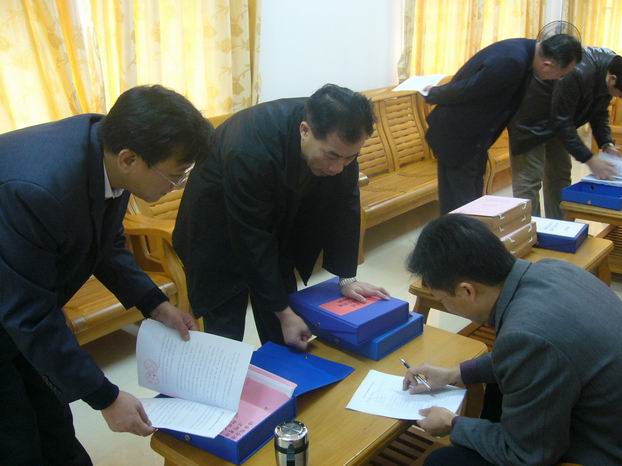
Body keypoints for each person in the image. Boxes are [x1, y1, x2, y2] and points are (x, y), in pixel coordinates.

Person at [0, 85, 213, 465]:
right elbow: (29, 315)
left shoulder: (108, 153)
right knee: (16, 438)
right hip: (14, 307)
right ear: (130, 159)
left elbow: (107, 245)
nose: (175, 188)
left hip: (21, 303)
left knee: (53, 422)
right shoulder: (38, 191)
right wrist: (106, 397)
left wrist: (156, 304)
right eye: (175, 177)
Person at [173, 84, 389, 351]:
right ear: (304, 130)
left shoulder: (338, 138)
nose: (337, 168)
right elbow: (251, 237)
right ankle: (224, 371)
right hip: (217, 232)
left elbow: (346, 204)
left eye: (349, 158)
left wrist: (346, 279)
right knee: (226, 331)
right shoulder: (249, 148)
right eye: (332, 156)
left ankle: (281, 368)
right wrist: (283, 312)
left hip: (273, 223)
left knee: (285, 321)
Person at [403, 214, 622, 465]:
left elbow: (526, 455)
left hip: (605, 448)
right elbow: (529, 356)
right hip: (601, 411)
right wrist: (454, 375)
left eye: (443, 300)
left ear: (467, 291)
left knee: (442, 462)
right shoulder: (552, 269)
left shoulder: (526, 336)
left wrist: (453, 423)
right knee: (498, 388)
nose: (446, 307)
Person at [424, 25, 582, 214]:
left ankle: (465, 231)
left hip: (474, 138)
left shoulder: (528, 52)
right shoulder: (512, 61)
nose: (557, 79)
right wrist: (432, 93)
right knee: (460, 205)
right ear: (548, 64)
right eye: (561, 75)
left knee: (471, 202)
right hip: (458, 137)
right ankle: (457, 233)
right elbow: (468, 89)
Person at [510, 50, 622, 219]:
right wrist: (590, 160)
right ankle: (529, 232)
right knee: (529, 180)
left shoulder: (611, 70)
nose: (619, 98)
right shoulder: (579, 72)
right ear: (612, 79)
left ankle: (560, 228)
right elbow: (562, 122)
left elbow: (598, 111)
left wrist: (606, 143)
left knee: (560, 176)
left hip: (559, 120)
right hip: (530, 119)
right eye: (621, 94)